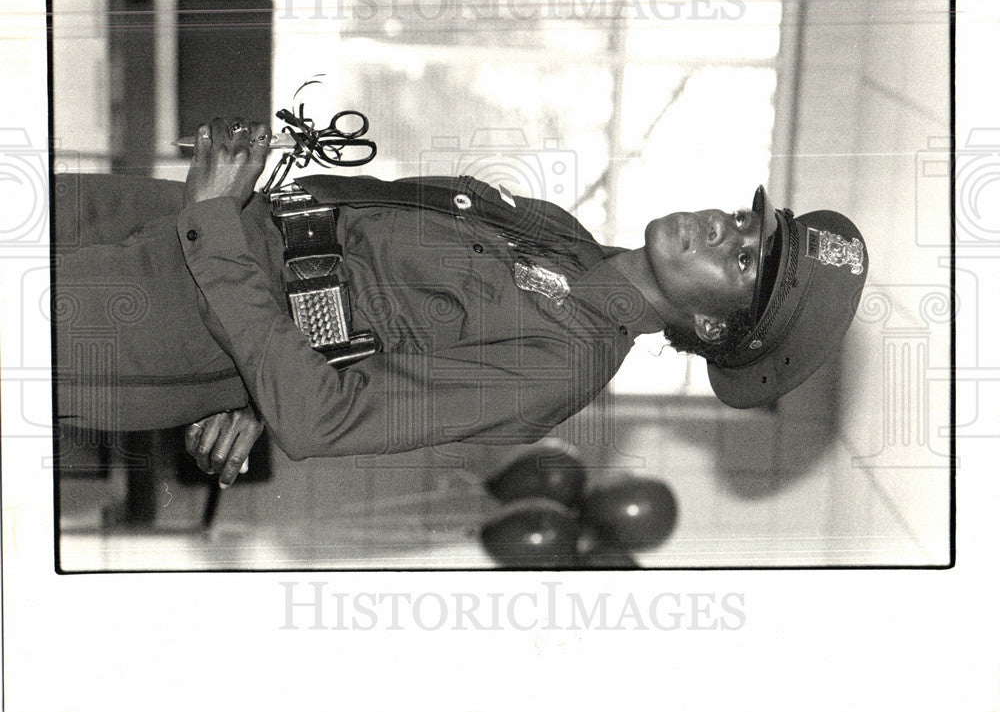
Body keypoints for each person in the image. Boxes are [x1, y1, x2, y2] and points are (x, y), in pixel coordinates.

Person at [53, 117, 868, 489]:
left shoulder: (562, 366)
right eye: (746, 222)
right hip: (205, 222)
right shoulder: (560, 232)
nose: (727, 229)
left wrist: (216, 235)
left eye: (744, 258)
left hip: (190, 293)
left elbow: (326, 419)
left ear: (715, 326)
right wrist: (263, 393)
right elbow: (375, 313)